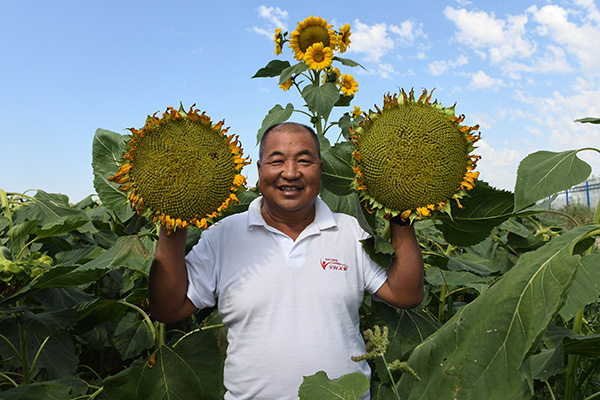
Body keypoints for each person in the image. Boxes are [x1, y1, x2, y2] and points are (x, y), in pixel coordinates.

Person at [149, 122, 424, 400]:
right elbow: (169, 310)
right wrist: (173, 217)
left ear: (320, 169)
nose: (290, 173)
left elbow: (406, 294)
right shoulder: (222, 236)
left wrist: (399, 209)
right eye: (276, 161)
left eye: (304, 161)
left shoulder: (350, 231)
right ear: (259, 170)